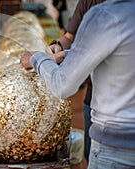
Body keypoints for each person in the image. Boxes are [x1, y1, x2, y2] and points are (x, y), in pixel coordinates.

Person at [21, 0, 135, 168]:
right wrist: (68, 54)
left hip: (114, 147)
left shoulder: (104, 16)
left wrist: (36, 58)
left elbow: (62, 85)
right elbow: (119, 56)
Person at [47, 0, 105, 162]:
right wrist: (57, 46)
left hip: (121, 108)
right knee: (91, 153)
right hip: (93, 98)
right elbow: (69, 37)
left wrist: (63, 56)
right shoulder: (88, 2)